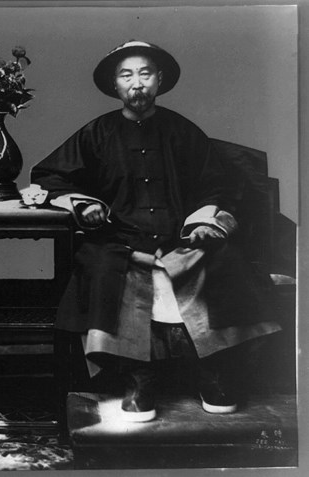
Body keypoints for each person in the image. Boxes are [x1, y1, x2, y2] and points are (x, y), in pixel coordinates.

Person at [31, 41, 280, 422]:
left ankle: (211, 371)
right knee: (99, 262)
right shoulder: (96, 133)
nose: (137, 84)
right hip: (121, 241)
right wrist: (86, 204)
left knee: (226, 259)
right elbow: (50, 176)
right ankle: (137, 377)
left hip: (182, 242)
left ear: (159, 81)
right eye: (127, 75)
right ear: (115, 86)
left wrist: (201, 222)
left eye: (145, 74)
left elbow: (218, 184)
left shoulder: (183, 131)